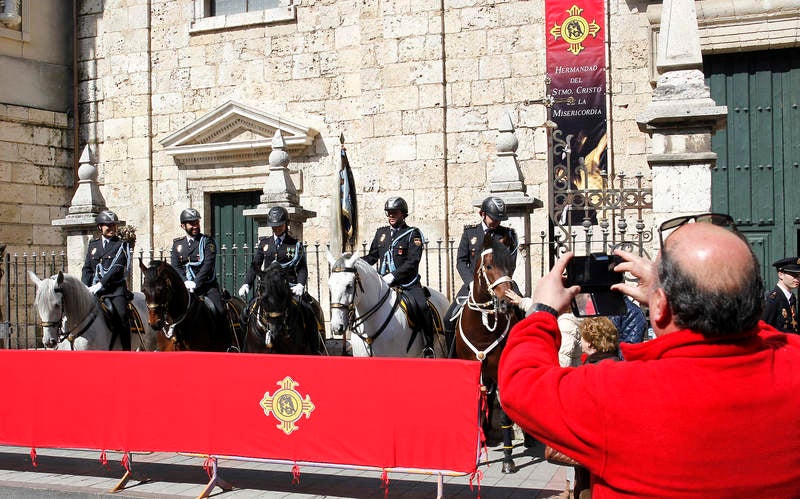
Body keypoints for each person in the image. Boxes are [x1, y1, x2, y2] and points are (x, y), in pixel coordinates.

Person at [498, 214, 800, 497]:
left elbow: (519, 381)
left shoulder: (617, 393)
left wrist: (542, 311)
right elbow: (763, 332)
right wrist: (662, 298)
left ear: (661, 305)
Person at [238, 206, 320, 353]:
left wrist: (300, 284)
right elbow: (255, 265)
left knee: (308, 311)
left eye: (279, 225)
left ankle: (315, 350)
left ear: (286, 224)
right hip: (269, 289)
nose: (276, 228)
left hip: (289, 288)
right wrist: (246, 284)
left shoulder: (294, 244)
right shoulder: (264, 244)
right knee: (246, 312)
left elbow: (302, 268)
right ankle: (244, 348)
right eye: (273, 226)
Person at [444, 196, 518, 354]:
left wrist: (500, 283)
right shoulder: (470, 233)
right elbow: (461, 261)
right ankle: (452, 357)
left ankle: (519, 354)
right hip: (473, 285)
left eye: (499, 219)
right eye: (494, 218)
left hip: (499, 284)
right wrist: (470, 282)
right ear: (482, 214)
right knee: (449, 319)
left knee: (520, 313)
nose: (497, 222)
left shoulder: (508, 235)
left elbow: (511, 263)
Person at [362, 196, 433, 357]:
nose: (391, 215)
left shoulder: (412, 234)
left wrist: (393, 276)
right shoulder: (381, 233)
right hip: (384, 284)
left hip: (408, 284)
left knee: (423, 307)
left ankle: (428, 346)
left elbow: (412, 262)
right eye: (388, 212)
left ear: (403, 214)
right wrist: (353, 262)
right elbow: (372, 257)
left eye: (395, 212)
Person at [170, 208, 231, 347]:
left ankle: (226, 345)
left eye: (197, 222)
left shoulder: (207, 242)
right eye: (191, 223)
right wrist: (185, 282)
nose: (195, 226)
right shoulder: (177, 244)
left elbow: (208, 265)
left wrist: (195, 283)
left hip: (207, 287)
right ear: (183, 226)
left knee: (220, 311)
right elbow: (176, 266)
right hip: (185, 288)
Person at [81, 210, 132, 350]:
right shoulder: (93, 245)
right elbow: (87, 268)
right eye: (108, 226)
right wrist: (85, 287)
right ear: (100, 227)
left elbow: (116, 268)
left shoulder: (121, 245)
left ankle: (127, 351)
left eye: (114, 225)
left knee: (122, 317)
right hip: (95, 291)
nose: (112, 228)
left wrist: (100, 285)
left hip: (115, 291)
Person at [762, 256, 800, 334]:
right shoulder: (772, 300)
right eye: (794, 275)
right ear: (780, 274)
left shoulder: (792, 297)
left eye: (799, 275)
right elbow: (764, 329)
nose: (797, 279)